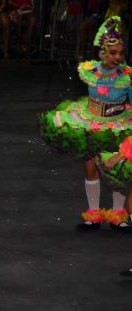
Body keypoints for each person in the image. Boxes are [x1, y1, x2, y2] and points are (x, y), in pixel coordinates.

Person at [40, 17, 132, 230]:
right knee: (90, 169)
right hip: (90, 123)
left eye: (121, 53)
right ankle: (93, 214)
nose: (118, 57)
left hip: (116, 125)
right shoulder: (90, 71)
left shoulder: (127, 77)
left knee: (116, 171)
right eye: (113, 53)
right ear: (102, 52)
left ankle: (118, 216)